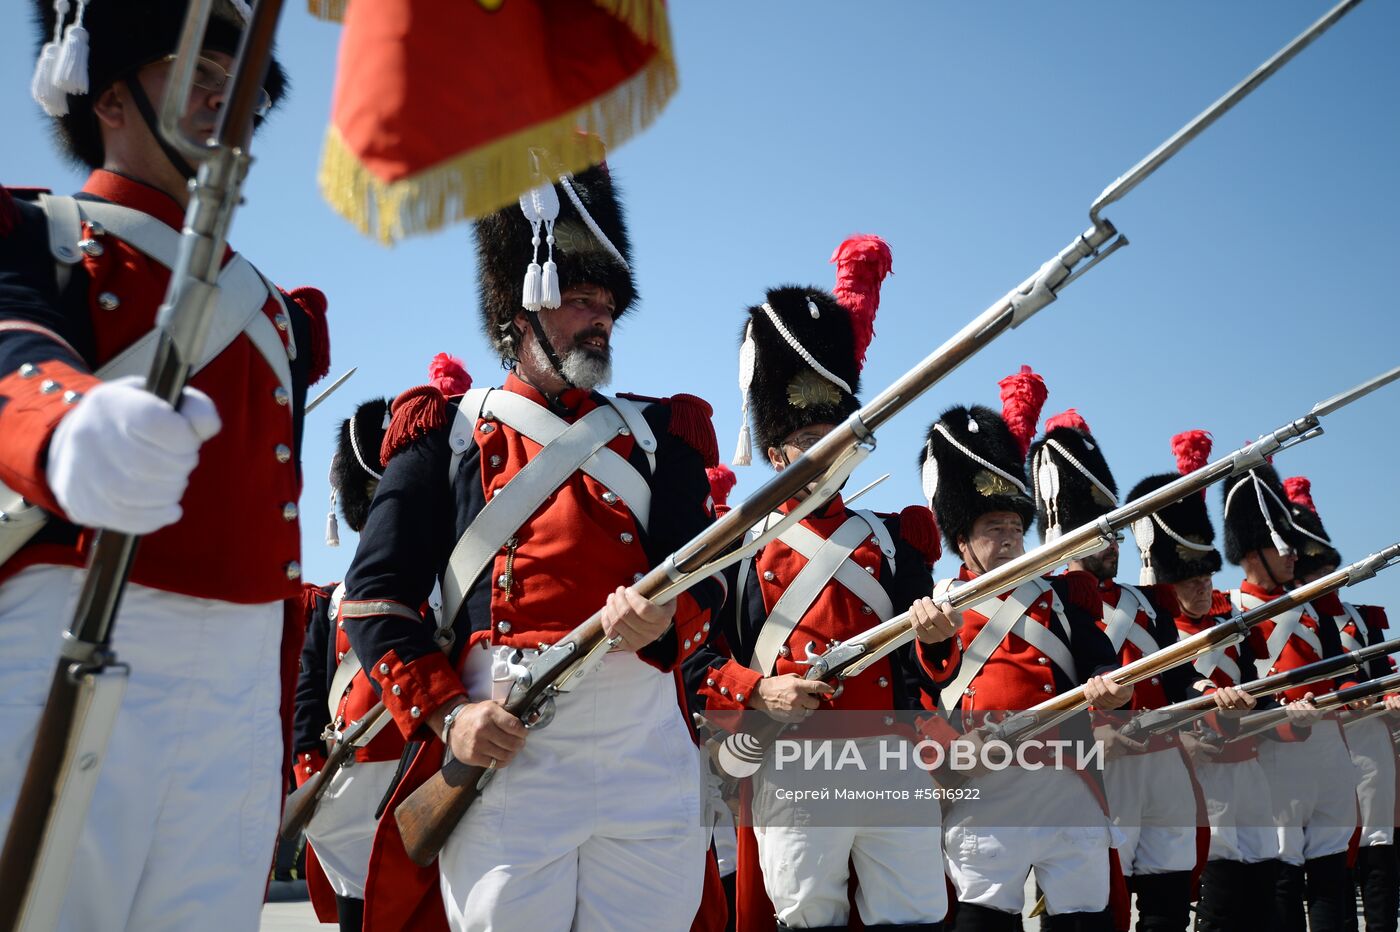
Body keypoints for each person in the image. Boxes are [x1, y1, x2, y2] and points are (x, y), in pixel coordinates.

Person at [0, 1, 328, 928]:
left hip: (236, 671)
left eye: (245, 92)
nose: (230, 110)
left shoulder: (279, 313)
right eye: (201, 80)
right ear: (109, 95)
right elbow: (10, 353)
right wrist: (69, 426)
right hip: (69, 623)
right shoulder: (41, 234)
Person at [339, 158, 724, 932]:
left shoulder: (662, 439)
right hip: (507, 733)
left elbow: (708, 583)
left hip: (642, 736)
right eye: (580, 299)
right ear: (521, 310)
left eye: (608, 303)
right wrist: (450, 718)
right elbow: (376, 600)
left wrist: (666, 622)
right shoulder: (440, 434)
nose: (601, 319)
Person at [692, 234, 956, 931]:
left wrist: (935, 638)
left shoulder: (897, 540)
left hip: (891, 753)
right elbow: (698, 660)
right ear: (774, 450)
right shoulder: (734, 549)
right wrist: (760, 690)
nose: (823, 453)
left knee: (918, 911)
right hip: (796, 759)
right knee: (811, 915)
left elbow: (929, 664)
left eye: (833, 436)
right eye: (807, 440)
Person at [914, 366, 1131, 931]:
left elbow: (1100, 666)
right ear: (962, 538)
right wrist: (952, 753)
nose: (1009, 537)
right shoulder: (935, 605)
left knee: (1084, 919)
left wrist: (1113, 690)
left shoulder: (1065, 596)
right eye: (993, 527)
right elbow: (915, 700)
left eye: (1016, 525)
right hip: (983, 784)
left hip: (1065, 781)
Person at [294, 354, 470, 931]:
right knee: (361, 907)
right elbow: (308, 693)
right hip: (350, 777)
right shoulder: (328, 601)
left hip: (428, 761)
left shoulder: (456, 591)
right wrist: (309, 766)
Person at [1125, 431, 1308, 932]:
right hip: (1198, 769)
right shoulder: (1158, 635)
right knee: (1218, 898)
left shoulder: (1230, 629)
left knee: (1264, 889)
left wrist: (1289, 717)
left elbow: (1258, 690)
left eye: (1207, 579)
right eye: (1191, 582)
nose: (1204, 589)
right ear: (1168, 583)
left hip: (1247, 767)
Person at [1027, 411, 1201, 931]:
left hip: (1161, 758)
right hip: (1103, 761)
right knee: (1104, 900)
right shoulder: (1048, 601)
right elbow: (1044, 685)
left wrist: (1207, 693)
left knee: (1169, 894)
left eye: (1117, 537)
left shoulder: (1148, 604)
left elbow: (1178, 678)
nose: (1113, 547)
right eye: (1102, 537)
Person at [1219, 463, 1358, 931]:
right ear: (1256, 549)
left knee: (1330, 875)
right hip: (1276, 750)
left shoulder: (1313, 606)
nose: (1295, 554)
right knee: (1283, 876)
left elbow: (1340, 669)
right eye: (1285, 543)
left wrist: (1351, 690)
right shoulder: (1232, 611)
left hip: (1328, 747)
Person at [1282, 476, 1399, 932]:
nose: (1319, 577)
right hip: (1303, 747)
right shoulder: (1276, 620)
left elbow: (1382, 674)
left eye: (1324, 566)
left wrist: (1388, 693)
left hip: (1365, 746)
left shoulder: (1359, 618)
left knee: (1376, 856)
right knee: (1301, 866)